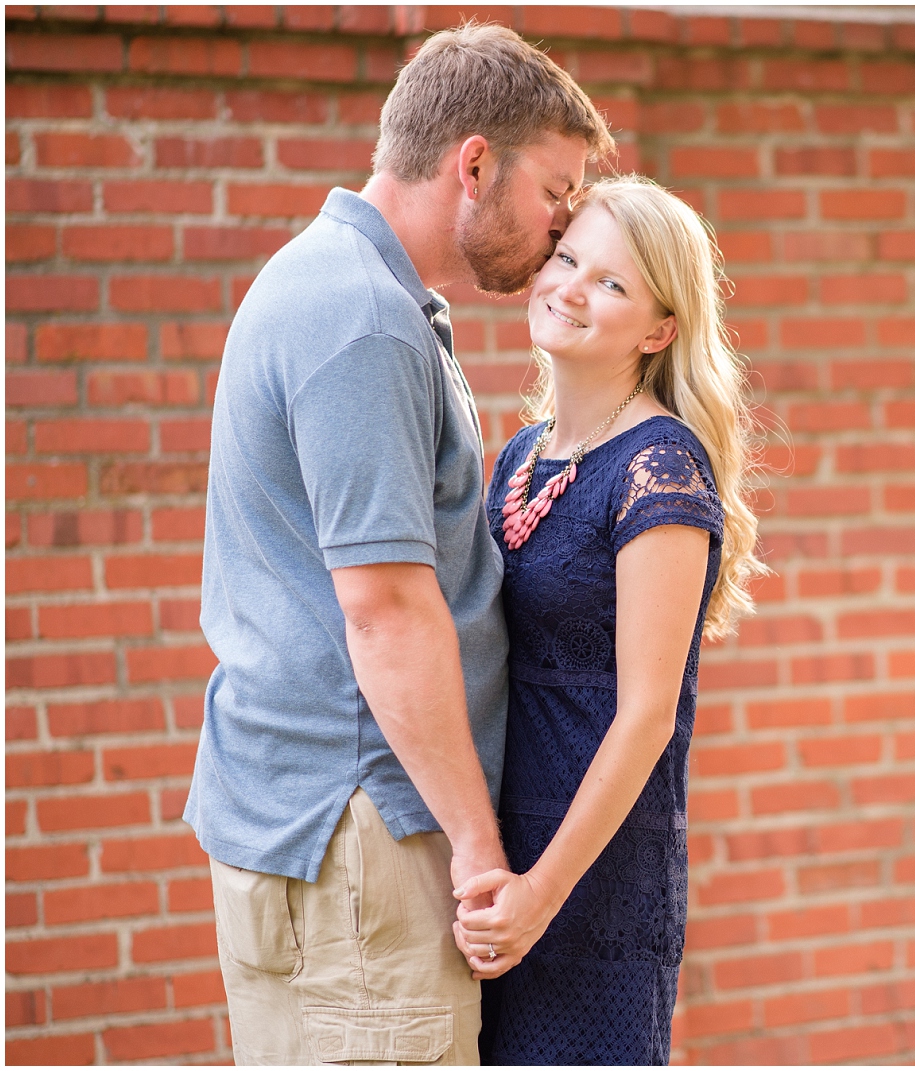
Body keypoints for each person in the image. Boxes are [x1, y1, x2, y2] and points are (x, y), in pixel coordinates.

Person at [185, 24, 613, 1064]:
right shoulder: (362, 319)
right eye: (555, 191)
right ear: (474, 164)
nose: (564, 227)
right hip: (365, 838)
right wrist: (478, 852)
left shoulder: (345, 289)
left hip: (328, 831)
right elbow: (383, 610)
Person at [452, 176, 764, 1064]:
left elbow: (646, 715)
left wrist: (540, 895)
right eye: (566, 257)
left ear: (660, 330)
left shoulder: (659, 467)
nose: (572, 288)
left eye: (614, 284)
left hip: (588, 889)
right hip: (497, 864)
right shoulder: (520, 454)